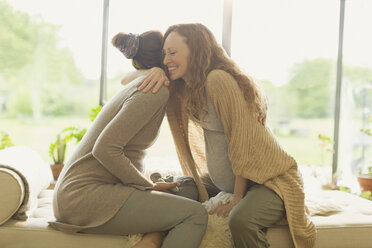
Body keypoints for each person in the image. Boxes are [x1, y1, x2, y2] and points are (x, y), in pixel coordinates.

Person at [136, 23, 316, 248]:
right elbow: (129, 80)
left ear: (197, 50)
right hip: (224, 182)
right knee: (175, 188)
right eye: (164, 54)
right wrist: (156, 70)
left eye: (172, 53)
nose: (166, 60)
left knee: (240, 220)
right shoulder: (187, 86)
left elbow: (240, 140)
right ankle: (154, 238)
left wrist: (237, 200)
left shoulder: (218, 79)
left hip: (266, 180)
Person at [49, 30, 208, 248]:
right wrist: (147, 186)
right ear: (162, 59)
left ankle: (153, 238)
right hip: (83, 198)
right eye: (168, 53)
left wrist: (153, 70)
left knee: (188, 188)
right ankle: (154, 238)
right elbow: (104, 149)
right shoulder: (153, 90)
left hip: (86, 191)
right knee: (196, 214)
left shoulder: (144, 80)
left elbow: (126, 78)